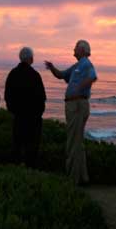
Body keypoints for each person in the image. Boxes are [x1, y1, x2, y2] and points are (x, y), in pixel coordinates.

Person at [45, 40, 97, 185]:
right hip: (73, 105)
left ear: (82, 50)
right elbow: (62, 75)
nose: (73, 49)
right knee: (77, 141)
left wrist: (80, 89)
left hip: (77, 105)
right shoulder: (76, 66)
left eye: (75, 47)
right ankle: (83, 177)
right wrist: (52, 67)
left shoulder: (86, 63)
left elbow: (93, 76)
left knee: (73, 141)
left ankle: (72, 179)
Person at [4, 47, 46, 168]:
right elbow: (42, 98)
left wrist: (12, 110)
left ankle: (16, 171)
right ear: (30, 59)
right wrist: (38, 114)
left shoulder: (13, 74)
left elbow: (7, 95)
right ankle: (30, 170)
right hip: (33, 118)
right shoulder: (35, 75)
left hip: (18, 116)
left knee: (17, 145)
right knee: (32, 148)